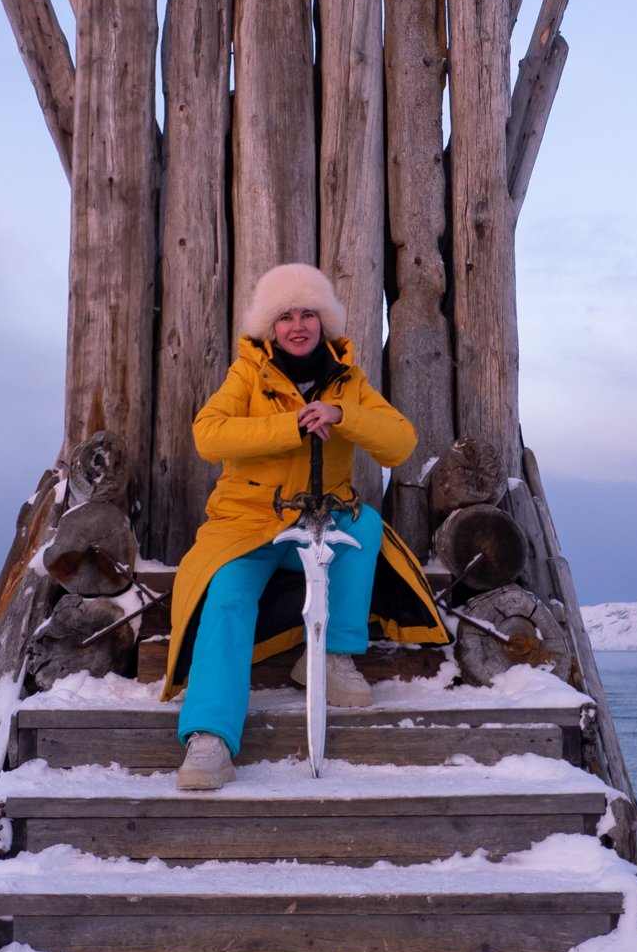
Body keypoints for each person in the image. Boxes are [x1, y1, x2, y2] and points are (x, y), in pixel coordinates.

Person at [164, 263, 448, 791]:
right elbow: (209, 434)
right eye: (286, 316)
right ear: (270, 327)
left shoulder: (350, 380)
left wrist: (343, 414)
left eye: (308, 314)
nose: (298, 326)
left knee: (363, 528)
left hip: (325, 519)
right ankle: (210, 736)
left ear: (324, 322)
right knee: (227, 595)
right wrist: (289, 424)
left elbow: (401, 442)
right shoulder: (248, 373)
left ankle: (335, 657)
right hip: (247, 523)